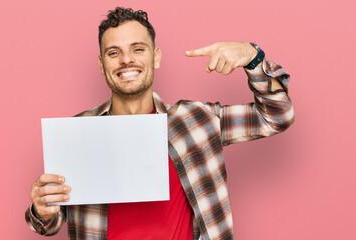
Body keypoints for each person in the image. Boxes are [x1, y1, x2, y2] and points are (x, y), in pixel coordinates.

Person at [25, 7, 294, 240]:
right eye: (113, 52)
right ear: (101, 63)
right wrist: (41, 209)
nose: (126, 60)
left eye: (137, 49)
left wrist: (253, 57)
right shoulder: (78, 134)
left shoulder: (196, 121)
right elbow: (50, 223)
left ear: (156, 57)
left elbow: (276, 116)